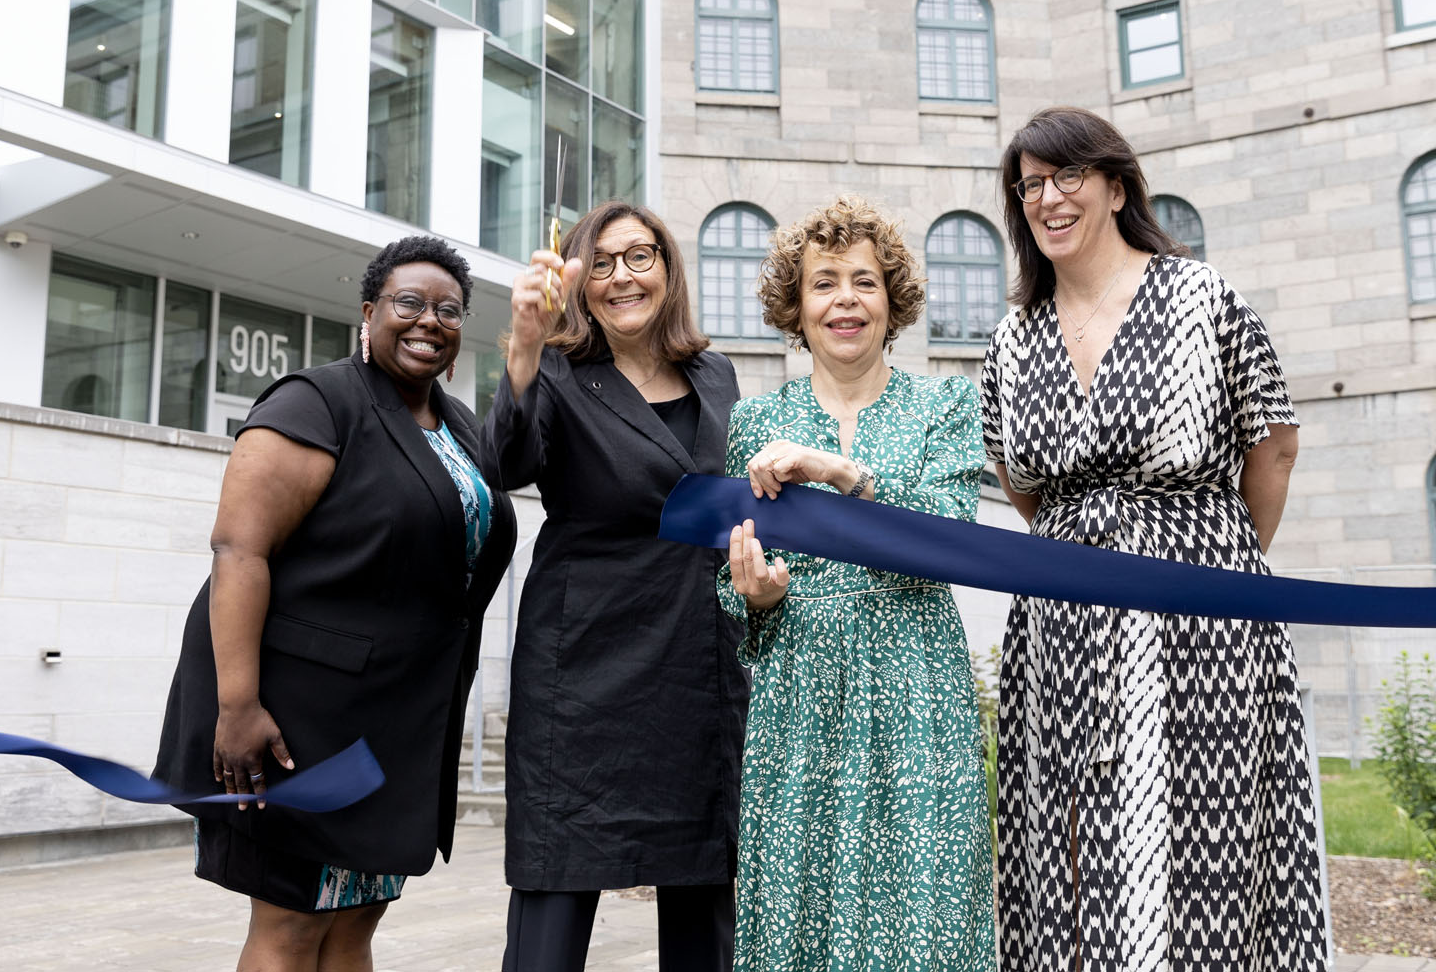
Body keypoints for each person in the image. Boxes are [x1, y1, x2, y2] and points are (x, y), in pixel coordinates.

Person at [978, 105, 1324, 971]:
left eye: (1067, 178)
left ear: (1116, 183)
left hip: (1200, 618)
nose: (1048, 200)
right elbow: (1022, 485)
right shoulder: (1012, 337)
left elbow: (1273, 444)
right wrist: (1084, 543)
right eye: (1029, 188)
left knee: (1204, 850)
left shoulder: (1203, 296)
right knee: (1070, 848)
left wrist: (1218, 567)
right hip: (1060, 625)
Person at [155, 236, 518, 972]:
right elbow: (238, 551)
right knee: (291, 925)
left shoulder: (461, 428)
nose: (428, 320)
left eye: (448, 310)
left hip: (392, 730)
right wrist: (237, 705)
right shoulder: (316, 402)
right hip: (296, 720)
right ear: (368, 312)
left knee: (354, 924)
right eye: (408, 302)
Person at [721, 194, 997, 972]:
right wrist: (756, 593)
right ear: (797, 308)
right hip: (801, 696)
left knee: (928, 907)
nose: (846, 298)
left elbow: (952, 536)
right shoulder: (754, 420)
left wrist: (844, 474)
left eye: (865, 282)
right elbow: (729, 574)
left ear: (892, 301)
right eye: (824, 283)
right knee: (797, 909)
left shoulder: (946, 403)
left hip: (916, 687)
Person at [483, 201, 747, 972]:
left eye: (640, 256)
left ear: (668, 269)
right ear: (579, 282)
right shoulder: (560, 371)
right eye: (600, 262)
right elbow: (506, 463)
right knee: (555, 889)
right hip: (585, 665)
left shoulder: (716, 371)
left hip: (699, 659)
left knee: (704, 889)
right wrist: (525, 349)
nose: (622, 276)